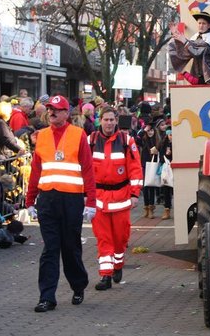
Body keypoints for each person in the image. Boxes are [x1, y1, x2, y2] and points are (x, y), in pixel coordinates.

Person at [25, 95, 96, 312]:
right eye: (49, 109)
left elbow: (88, 169)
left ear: (66, 113)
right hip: (48, 200)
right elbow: (36, 169)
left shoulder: (78, 134)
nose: (51, 112)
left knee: (70, 247)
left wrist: (91, 201)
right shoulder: (42, 136)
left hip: (71, 200)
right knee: (50, 249)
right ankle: (47, 297)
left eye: (56, 109)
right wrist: (30, 200)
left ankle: (78, 285)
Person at [89, 107, 143, 290]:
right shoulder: (91, 141)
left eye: (112, 119)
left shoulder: (127, 141)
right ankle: (105, 275)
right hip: (99, 198)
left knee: (120, 238)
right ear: (100, 120)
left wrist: (135, 194)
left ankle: (118, 264)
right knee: (103, 238)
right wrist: (85, 195)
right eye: (106, 119)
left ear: (116, 121)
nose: (109, 123)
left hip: (121, 197)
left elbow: (135, 169)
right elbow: (84, 169)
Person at [169, 12, 210, 85]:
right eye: (199, 23)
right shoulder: (195, 37)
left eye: (204, 23)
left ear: (208, 26)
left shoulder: (209, 39)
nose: (201, 26)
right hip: (198, 75)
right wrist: (177, 35)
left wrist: (184, 41)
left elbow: (197, 52)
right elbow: (186, 51)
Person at [138, 122, 159, 218]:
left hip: (153, 164)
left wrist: (157, 151)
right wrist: (144, 130)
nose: (150, 132)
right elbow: (137, 138)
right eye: (148, 130)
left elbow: (160, 149)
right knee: (145, 187)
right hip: (144, 164)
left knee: (151, 187)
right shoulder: (143, 139)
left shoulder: (157, 140)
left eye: (151, 130)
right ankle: (146, 207)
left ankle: (151, 208)